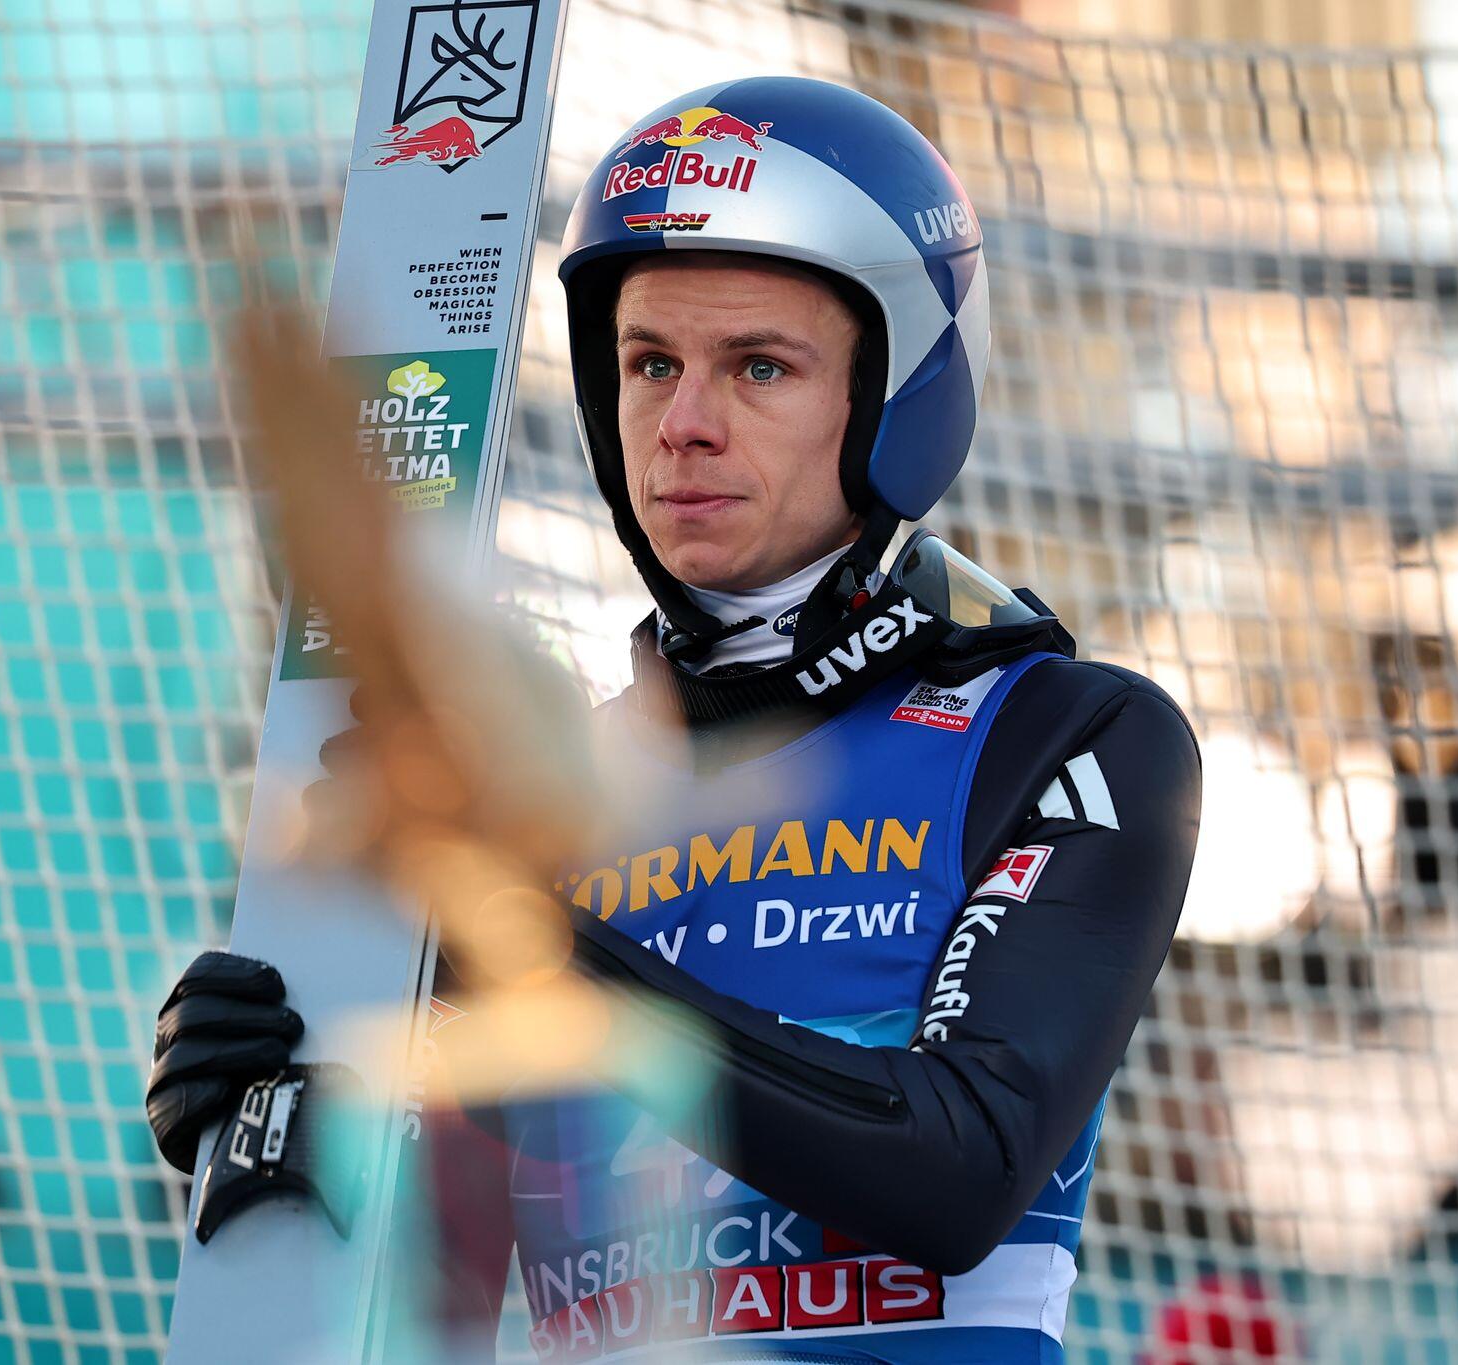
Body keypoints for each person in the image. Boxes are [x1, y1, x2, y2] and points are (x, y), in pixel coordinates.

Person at [148, 77, 1201, 1361]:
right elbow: (438, 1290)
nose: (684, 425)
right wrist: (276, 1119)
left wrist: (531, 944)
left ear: (896, 395)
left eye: (758, 366)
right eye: (649, 364)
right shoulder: (522, 796)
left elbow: (957, 1168)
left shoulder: (1061, 734)